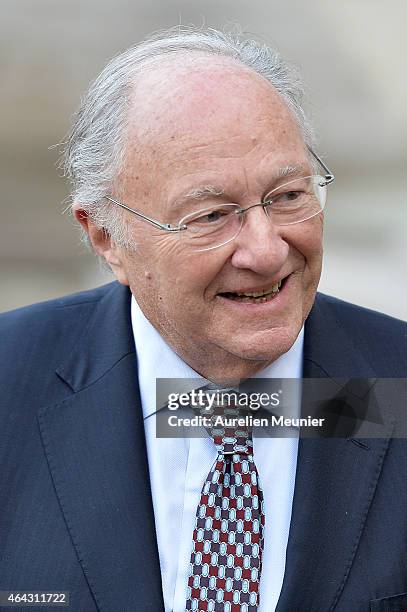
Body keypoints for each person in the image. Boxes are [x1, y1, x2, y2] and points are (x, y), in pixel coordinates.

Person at [0, 26, 406, 612]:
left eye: (289, 196)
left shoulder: (391, 388)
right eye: (212, 215)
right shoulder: (12, 381)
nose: (267, 251)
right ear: (105, 237)